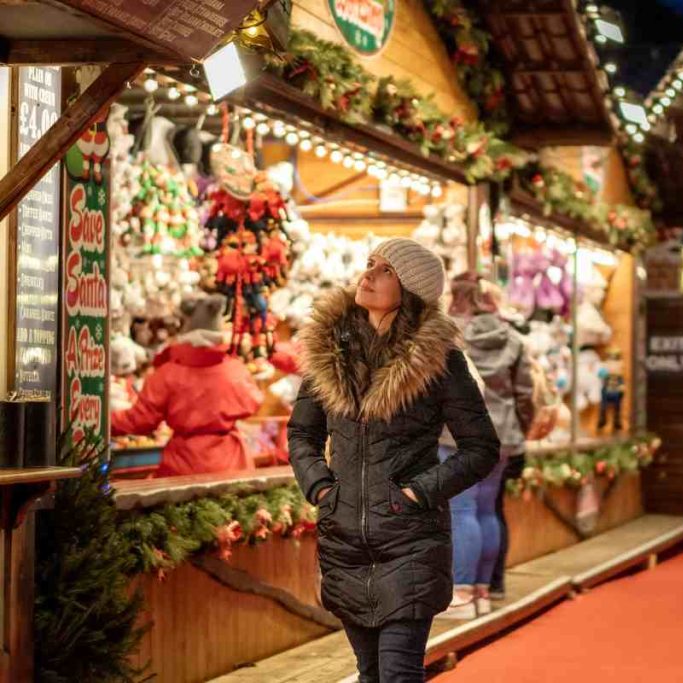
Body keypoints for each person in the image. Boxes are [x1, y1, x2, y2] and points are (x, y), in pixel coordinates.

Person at [288, 238, 500, 682]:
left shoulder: (439, 361)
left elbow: (481, 448)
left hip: (410, 541)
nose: (368, 275)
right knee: (369, 673)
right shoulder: (331, 355)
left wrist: (417, 492)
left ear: (411, 289)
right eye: (369, 264)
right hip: (344, 542)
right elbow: (302, 432)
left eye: (385, 270)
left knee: (398, 673)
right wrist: (323, 490)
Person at [438, 273, 535, 618]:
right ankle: (482, 591)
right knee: (487, 510)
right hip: (503, 435)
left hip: (458, 436)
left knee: (461, 511)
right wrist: (519, 430)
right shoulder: (512, 337)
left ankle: (461, 595)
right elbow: (525, 394)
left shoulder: (447, 334)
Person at [112, 293, 264, 477]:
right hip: (233, 464)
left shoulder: (167, 374)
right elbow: (254, 402)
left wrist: (100, 422)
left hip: (184, 465)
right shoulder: (236, 370)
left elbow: (139, 421)